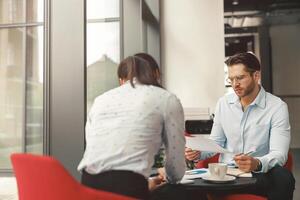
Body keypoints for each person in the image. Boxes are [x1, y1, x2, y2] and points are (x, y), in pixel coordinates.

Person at [185, 52, 295, 200]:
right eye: (231, 79)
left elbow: (279, 154)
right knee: (184, 187)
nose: (234, 84)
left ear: (256, 76)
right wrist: (199, 153)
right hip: (227, 174)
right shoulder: (223, 103)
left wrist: (256, 163)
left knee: (284, 177)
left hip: (259, 174)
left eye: (240, 78)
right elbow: (216, 143)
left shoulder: (277, 107)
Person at [78, 56, 186, 199]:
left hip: (88, 184)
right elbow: (175, 168)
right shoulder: (166, 99)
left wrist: (144, 185)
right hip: (129, 186)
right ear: (155, 75)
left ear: (121, 79)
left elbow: (91, 144)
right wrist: (169, 179)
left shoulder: (100, 100)